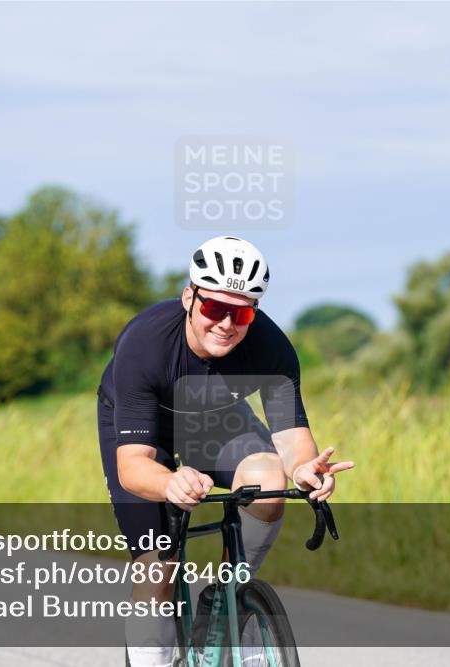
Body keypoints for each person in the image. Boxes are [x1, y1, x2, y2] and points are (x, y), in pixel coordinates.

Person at [97, 236, 354, 667]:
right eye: (215, 308)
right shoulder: (145, 345)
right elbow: (133, 466)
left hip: (213, 418)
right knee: (157, 570)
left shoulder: (271, 349)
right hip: (143, 428)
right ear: (189, 298)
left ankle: (226, 597)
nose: (226, 324)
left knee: (269, 481)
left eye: (242, 312)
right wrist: (170, 480)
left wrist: (305, 470)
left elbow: (291, 440)